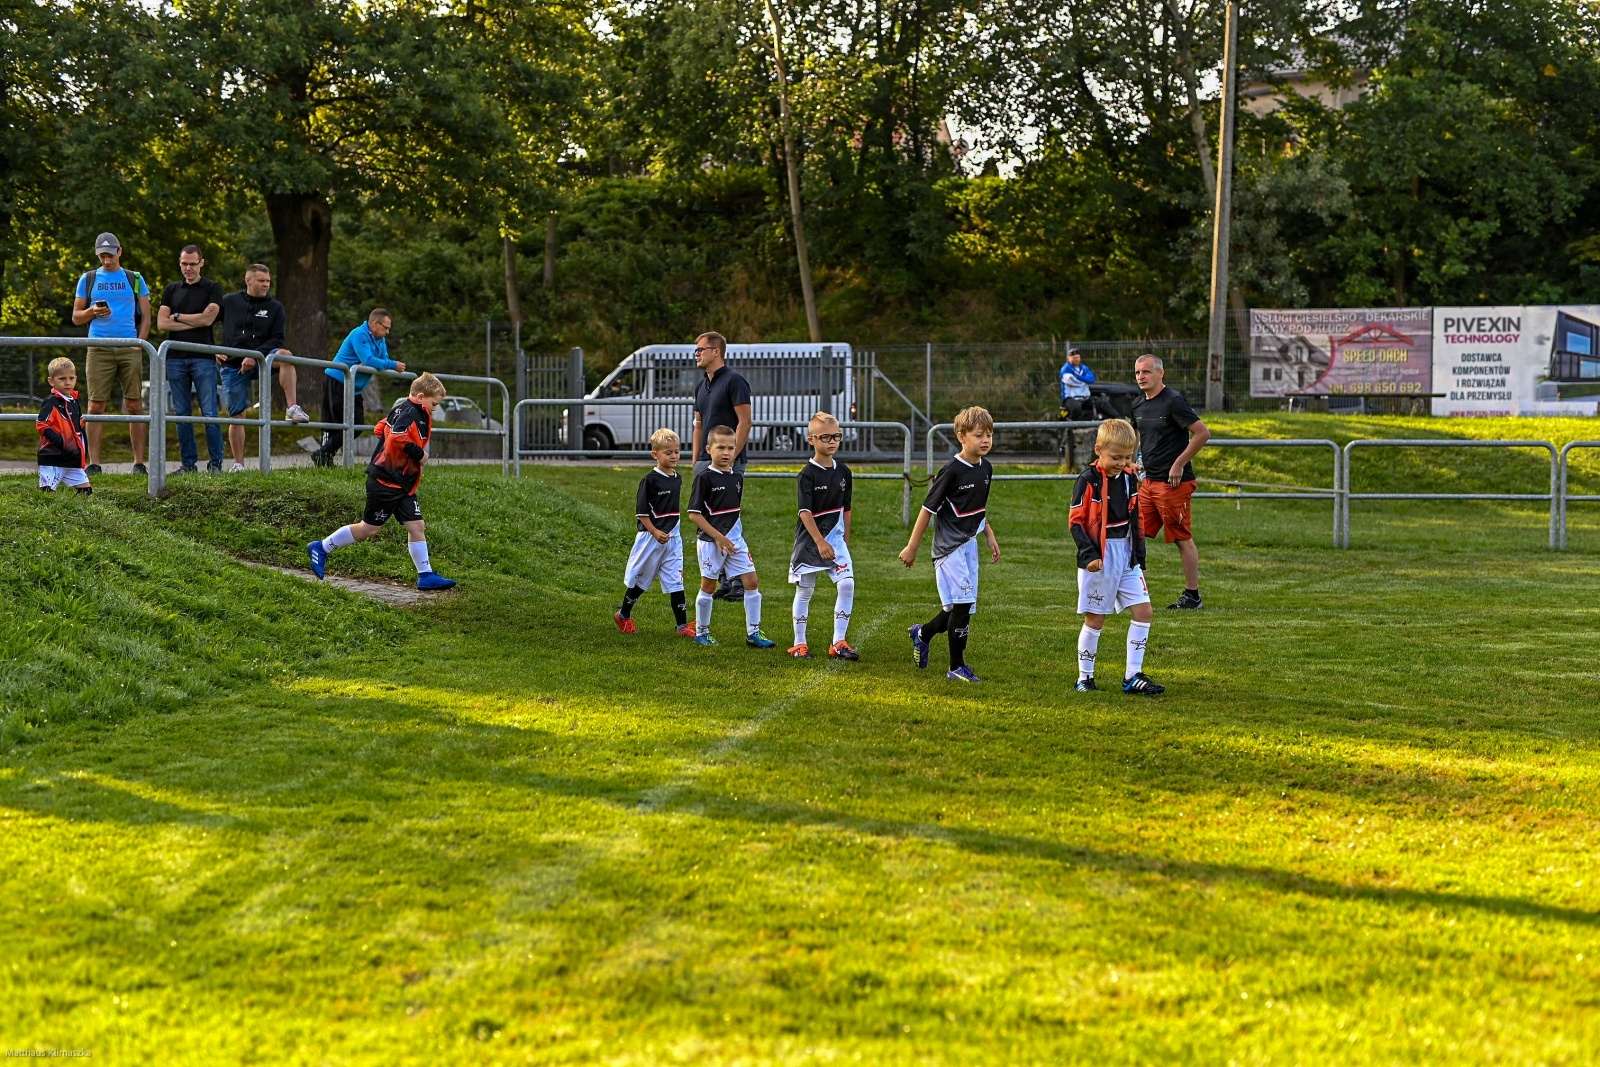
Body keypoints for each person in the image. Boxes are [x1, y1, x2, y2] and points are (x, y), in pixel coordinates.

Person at [306, 372, 456, 591]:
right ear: (421, 396)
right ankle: (321, 547)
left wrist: (391, 449)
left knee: (416, 526)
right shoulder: (411, 412)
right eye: (434, 403)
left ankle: (425, 575)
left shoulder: (403, 408)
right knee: (368, 529)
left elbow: (381, 428)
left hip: (402, 483)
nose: (435, 408)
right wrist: (418, 454)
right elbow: (396, 436)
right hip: (385, 483)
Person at [900, 405, 1001, 683]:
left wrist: (988, 534)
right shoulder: (952, 471)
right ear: (961, 436)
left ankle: (922, 634)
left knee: (956, 608)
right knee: (963, 603)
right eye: (979, 434)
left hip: (969, 545)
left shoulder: (986, 468)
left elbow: (979, 508)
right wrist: (912, 547)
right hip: (948, 550)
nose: (986, 440)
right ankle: (956, 667)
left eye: (990, 435)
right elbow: (927, 510)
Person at [1069, 418, 1164, 695]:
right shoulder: (1087, 481)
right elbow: (1076, 522)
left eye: (1127, 457)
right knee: (1095, 619)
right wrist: (1089, 555)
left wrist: (1139, 557)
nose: (1122, 463)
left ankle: (1133, 676)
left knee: (1144, 611)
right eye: (1115, 457)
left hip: (1127, 555)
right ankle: (1084, 678)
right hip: (1099, 557)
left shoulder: (1130, 479)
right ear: (1098, 449)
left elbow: (1138, 519)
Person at [1131, 354, 1211, 609]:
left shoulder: (1174, 401)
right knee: (1134, 533)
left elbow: (1202, 433)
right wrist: (1132, 462)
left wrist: (1178, 463)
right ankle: (1133, 591)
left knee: (1180, 537)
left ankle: (1192, 596)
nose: (1141, 377)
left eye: (1146, 372)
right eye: (1137, 373)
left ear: (1160, 373)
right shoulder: (1137, 404)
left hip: (1174, 483)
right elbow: (1137, 436)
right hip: (1149, 483)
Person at [687, 424, 776, 648]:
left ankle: (753, 633)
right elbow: (694, 515)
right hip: (711, 542)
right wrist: (718, 537)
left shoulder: (737, 477)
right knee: (708, 586)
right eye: (720, 448)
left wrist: (732, 537)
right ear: (709, 449)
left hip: (735, 540)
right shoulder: (704, 478)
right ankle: (702, 632)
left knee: (751, 581)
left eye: (730, 448)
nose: (726, 453)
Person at [70, 233, 150, 475]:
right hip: (98, 347)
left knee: (134, 404)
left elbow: (146, 316)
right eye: (101, 256)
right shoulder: (89, 278)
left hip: (129, 346)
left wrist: (140, 343)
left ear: (120, 252)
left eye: (110, 255)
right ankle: (93, 463)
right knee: (96, 405)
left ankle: (138, 463)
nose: (106, 260)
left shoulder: (134, 278)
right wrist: (93, 311)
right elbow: (76, 317)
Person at [218, 263, 309, 472]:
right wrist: (214, 349)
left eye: (268, 281)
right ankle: (239, 464)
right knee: (237, 415)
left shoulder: (275, 307)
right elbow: (207, 321)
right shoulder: (230, 301)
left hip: (263, 359)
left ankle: (292, 408)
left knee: (286, 355)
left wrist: (255, 355)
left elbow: (278, 338)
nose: (266, 284)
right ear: (248, 280)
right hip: (233, 364)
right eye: (261, 281)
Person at [787, 412, 858, 661]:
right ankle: (799, 643)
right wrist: (820, 541)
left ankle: (838, 641)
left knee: (847, 584)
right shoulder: (807, 474)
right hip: (810, 541)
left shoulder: (844, 472)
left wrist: (844, 542)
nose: (832, 441)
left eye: (836, 436)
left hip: (835, 541)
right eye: (825, 437)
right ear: (811, 440)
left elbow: (846, 510)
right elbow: (804, 512)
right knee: (805, 591)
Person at [689, 331, 753, 602]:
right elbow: (699, 425)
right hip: (705, 462)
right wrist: (695, 460)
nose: (697, 354)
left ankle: (739, 580)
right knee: (708, 518)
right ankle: (722, 579)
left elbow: (745, 422)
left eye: (700, 349)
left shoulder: (734, 381)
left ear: (717, 351)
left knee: (728, 517)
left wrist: (731, 459)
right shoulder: (701, 386)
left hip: (730, 464)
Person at [615, 427, 691, 636]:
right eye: (668, 452)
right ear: (655, 454)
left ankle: (682, 627)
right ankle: (623, 615)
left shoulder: (677, 477)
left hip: (673, 539)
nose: (674, 456)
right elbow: (641, 513)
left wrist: (669, 532)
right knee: (640, 581)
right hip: (651, 538)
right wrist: (655, 532)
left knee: (676, 580)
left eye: (677, 451)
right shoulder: (649, 481)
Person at [157, 244, 226, 474]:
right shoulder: (171, 289)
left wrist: (177, 316)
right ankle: (188, 464)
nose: (188, 268)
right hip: (175, 359)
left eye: (192, 264)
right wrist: (192, 318)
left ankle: (215, 463)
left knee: (209, 412)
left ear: (201, 263)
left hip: (204, 358)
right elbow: (162, 323)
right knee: (181, 414)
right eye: (184, 263)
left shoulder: (213, 287)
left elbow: (208, 320)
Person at [315, 308, 404, 467]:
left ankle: (323, 454)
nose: (388, 332)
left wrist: (379, 362)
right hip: (338, 381)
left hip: (354, 387)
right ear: (375, 323)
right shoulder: (360, 334)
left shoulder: (379, 339)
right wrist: (391, 365)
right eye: (386, 327)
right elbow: (370, 360)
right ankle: (324, 456)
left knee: (356, 425)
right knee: (336, 423)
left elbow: (381, 359)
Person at [36, 357, 91, 495]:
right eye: (62, 379)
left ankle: (83, 513)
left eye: (71, 378)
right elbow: (42, 425)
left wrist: (83, 450)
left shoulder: (74, 401)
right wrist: (60, 442)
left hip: (72, 458)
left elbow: (79, 427)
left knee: (86, 493)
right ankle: (45, 513)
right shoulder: (51, 402)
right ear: (51, 381)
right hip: (53, 457)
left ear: (76, 379)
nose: (68, 382)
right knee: (47, 494)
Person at [1058, 349, 1119, 422]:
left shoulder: (1084, 368)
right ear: (1069, 358)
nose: (1076, 359)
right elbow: (1072, 381)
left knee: (1102, 402)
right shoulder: (1065, 369)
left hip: (1085, 398)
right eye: (1074, 358)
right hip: (1071, 398)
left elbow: (1091, 379)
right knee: (1075, 408)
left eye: (1078, 357)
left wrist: (1079, 377)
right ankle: (1072, 426)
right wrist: (1084, 380)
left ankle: (1119, 419)